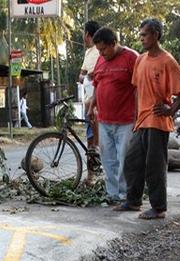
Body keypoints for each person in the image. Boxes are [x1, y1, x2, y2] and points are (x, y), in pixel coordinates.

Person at [114, 18, 180, 219]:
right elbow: (137, 89)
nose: (141, 39)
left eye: (144, 34)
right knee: (132, 161)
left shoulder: (167, 60)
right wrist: (135, 117)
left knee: (155, 167)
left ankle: (158, 208)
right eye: (140, 35)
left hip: (157, 122)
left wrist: (171, 109)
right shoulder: (140, 59)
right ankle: (133, 201)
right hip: (142, 121)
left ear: (156, 34)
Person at [89, 27, 138, 202]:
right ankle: (113, 194)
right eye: (99, 50)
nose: (101, 53)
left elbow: (140, 87)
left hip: (126, 120)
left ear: (114, 43)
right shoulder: (100, 61)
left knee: (124, 159)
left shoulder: (132, 57)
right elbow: (96, 84)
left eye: (103, 49)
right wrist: (91, 107)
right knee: (108, 159)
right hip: (104, 120)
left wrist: (139, 115)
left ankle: (126, 195)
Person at [79, 20, 101, 182]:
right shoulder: (88, 53)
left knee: (99, 142)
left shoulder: (100, 52)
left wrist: (88, 76)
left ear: (88, 34)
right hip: (88, 102)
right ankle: (90, 176)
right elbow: (81, 76)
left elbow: (96, 76)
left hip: (100, 103)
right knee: (90, 140)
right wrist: (87, 76)